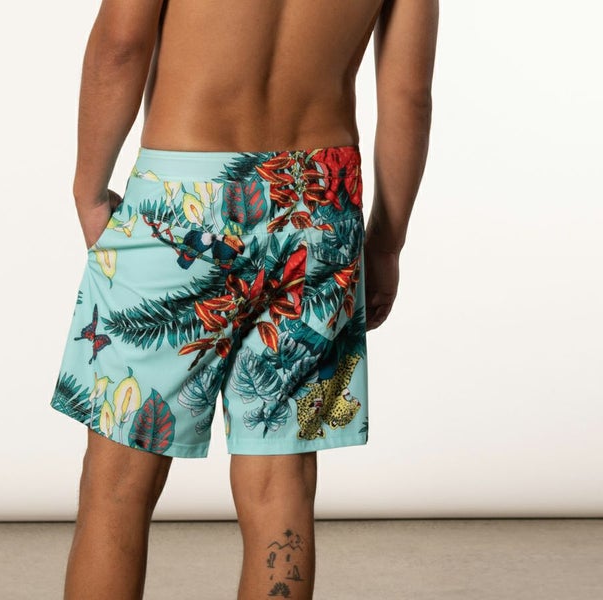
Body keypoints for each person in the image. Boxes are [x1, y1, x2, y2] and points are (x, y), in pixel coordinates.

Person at [50, 1, 438, 598]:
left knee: (119, 481)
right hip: (318, 206)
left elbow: (121, 43)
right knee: (281, 479)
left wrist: (88, 187)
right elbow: (409, 95)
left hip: (183, 202)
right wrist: (386, 241)